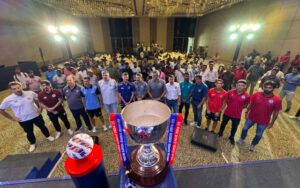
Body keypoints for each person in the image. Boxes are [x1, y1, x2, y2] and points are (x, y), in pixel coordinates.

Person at [0, 81, 54, 152]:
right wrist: (12, 118)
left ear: (21, 87)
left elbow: (40, 99)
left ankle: (48, 136)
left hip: (36, 115)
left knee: (43, 127)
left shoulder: (30, 93)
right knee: (29, 132)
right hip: (24, 120)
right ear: (11, 90)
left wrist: (40, 108)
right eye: (14, 89)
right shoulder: (8, 99)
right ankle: (32, 143)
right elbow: (1, 110)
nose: (17, 90)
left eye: (18, 87)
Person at [237, 80, 282, 152]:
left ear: (273, 89)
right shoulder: (256, 94)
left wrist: (272, 122)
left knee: (259, 135)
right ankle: (242, 138)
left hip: (264, 121)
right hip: (251, 117)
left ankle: (253, 144)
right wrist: (246, 112)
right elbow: (251, 104)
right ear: (263, 87)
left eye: (270, 88)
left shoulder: (277, 99)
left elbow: (276, 112)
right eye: (266, 87)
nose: (267, 89)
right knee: (244, 129)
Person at [218, 80, 250, 145]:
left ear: (245, 86)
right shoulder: (230, 92)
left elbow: (246, 105)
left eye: (242, 85)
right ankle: (220, 133)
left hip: (237, 115)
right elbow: (226, 100)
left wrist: (239, 108)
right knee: (223, 124)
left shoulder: (247, 96)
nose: (240, 87)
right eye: (238, 85)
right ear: (236, 85)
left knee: (234, 127)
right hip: (227, 112)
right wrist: (230, 105)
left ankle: (231, 137)